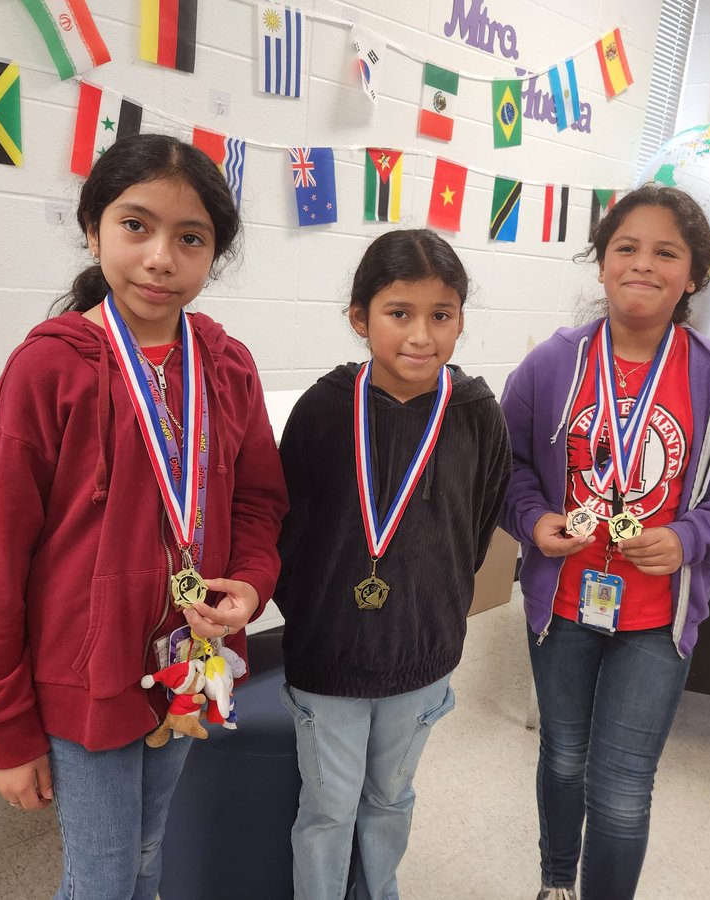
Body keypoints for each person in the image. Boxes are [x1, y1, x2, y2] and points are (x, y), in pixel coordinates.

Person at [0, 133, 288, 900]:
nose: (161, 258)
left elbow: (260, 501)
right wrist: (4, 727)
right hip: (86, 677)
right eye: (136, 226)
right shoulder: (49, 367)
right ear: (93, 226)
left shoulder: (227, 365)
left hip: (192, 666)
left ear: (213, 255)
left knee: (145, 855)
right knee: (101, 876)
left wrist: (251, 583)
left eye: (190, 238)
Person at [500, 185, 710, 900]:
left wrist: (690, 538)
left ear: (694, 275)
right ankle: (555, 884)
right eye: (625, 247)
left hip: (657, 617)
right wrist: (533, 520)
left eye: (666, 252)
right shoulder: (552, 364)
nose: (642, 264)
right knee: (563, 757)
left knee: (622, 786)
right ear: (601, 264)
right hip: (563, 603)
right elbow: (503, 466)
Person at [274, 229, 512, 900]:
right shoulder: (323, 410)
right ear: (360, 319)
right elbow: (287, 526)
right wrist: (321, 611)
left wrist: (436, 601)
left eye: (442, 315)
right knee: (327, 811)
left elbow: (481, 517)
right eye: (399, 313)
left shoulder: (475, 414)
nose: (421, 334)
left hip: (422, 650)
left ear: (461, 318)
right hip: (330, 656)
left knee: (390, 799)